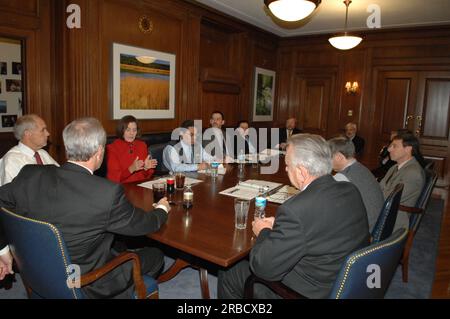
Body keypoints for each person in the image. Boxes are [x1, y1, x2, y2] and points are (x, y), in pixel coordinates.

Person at [0, 117, 170, 298]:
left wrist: (2, 250)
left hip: (37, 270)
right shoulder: (107, 192)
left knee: (113, 247)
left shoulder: (30, 174)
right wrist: (161, 209)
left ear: (67, 148)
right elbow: (143, 225)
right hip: (88, 281)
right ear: (99, 152)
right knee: (155, 255)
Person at [218, 134, 369, 299]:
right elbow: (317, 225)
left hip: (311, 291)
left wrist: (264, 231)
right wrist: (286, 227)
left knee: (229, 272)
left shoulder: (296, 210)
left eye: (288, 164)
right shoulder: (350, 190)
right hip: (347, 282)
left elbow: (263, 268)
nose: (285, 169)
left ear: (302, 172)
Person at [328, 136, 385, 231]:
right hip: (377, 226)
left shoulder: (342, 177)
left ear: (339, 157)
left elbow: (327, 207)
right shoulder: (363, 169)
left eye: (329, 156)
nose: (327, 161)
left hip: (364, 231)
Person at [379, 131, 425, 231]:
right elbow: (380, 187)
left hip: (393, 219)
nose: (389, 149)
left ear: (408, 149)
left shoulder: (413, 173)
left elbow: (390, 199)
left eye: (394, 146)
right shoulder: (395, 167)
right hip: (385, 209)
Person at [0, 114, 59, 186]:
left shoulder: (42, 153)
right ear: (27, 133)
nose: (48, 133)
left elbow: (60, 175)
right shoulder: (12, 160)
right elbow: (8, 194)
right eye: (43, 130)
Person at [106, 115, 157, 183]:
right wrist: (131, 169)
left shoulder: (142, 145)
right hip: (122, 189)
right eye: (128, 130)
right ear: (121, 130)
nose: (131, 133)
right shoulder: (112, 148)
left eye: (134, 130)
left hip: (141, 186)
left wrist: (146, 168)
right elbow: (114, 179)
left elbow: (146, 176)